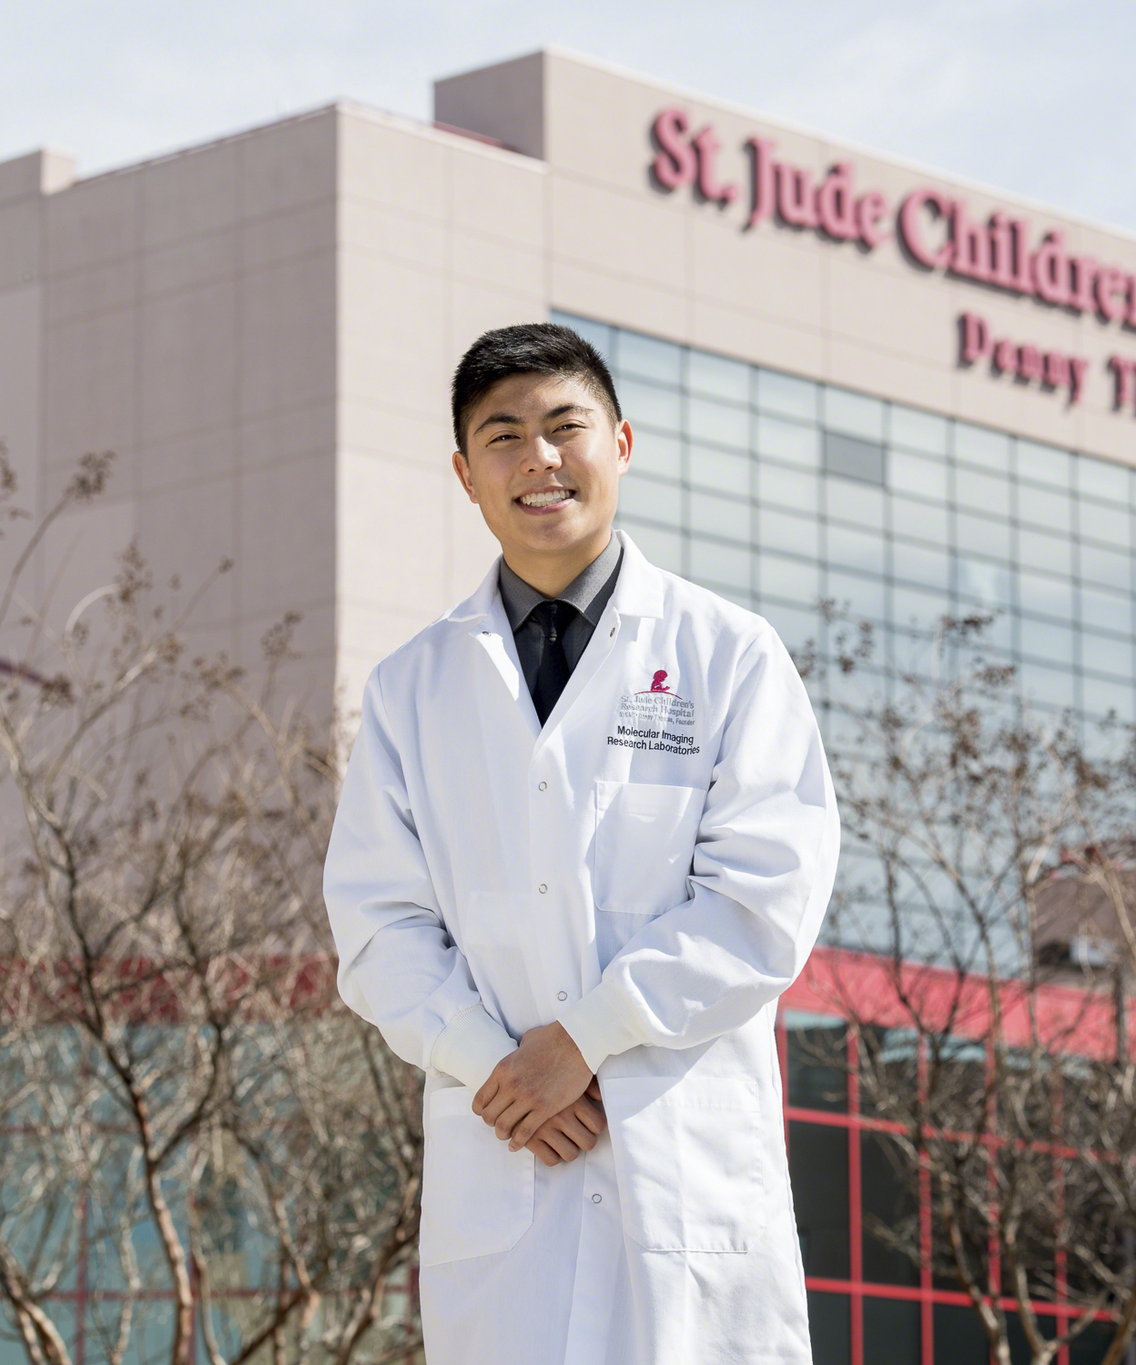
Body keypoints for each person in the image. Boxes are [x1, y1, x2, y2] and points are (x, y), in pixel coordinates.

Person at [322, 323, 839, 1364]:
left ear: (622, 442)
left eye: (565, 427)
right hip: (509, 1156)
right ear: (465, 476)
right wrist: (494, 1069)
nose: (540, 459)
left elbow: (763, 901)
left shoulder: (725, 654)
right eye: (504, 437)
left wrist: (586, 1038)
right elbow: (378, 925)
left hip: (680, 1165)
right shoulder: (411, 688)